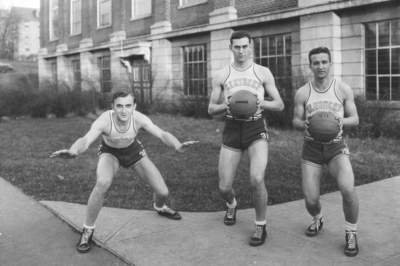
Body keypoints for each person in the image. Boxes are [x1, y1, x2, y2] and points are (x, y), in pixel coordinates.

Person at [51, 90, 198, 253]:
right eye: (119, 106)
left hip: (134, 151)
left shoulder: (139, 118)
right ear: (112, 106)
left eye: (128, 106)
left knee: (163, 192)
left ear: (134, 106)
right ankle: (87, 230)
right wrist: (73, 151)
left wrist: (177, 145)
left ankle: (160, 207)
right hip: (110, 153)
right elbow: (86, 139)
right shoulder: (105, 120)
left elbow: (162, 134)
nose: (123, 110)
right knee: (102, 183)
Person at [208, 30, 284, 247]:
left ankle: (260, 225)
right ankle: (232, 204)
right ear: (230, 48)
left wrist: (263, 104)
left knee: (257, 179)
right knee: (224, 187)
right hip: (232, 129)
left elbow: (279, 104)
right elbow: (211, 109)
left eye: (245, 46)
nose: (241, 51)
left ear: (251, 47)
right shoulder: (222, 75)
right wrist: (227, 105)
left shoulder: (262, 72)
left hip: (255, 128)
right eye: (237, 47)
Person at [292, 47, 360, 257]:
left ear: (330, 64)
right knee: (311, 200)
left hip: (336, 147)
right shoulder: (303, 92)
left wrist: (342, 120)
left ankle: (351, 233)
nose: (320, 66)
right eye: (316, 62)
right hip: (311, 147)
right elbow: (294, 121)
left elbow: (355, 119)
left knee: (348, 189)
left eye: (324, 62)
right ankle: (318, 217)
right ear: (310, 66)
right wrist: (303, 123)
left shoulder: (342, 89)